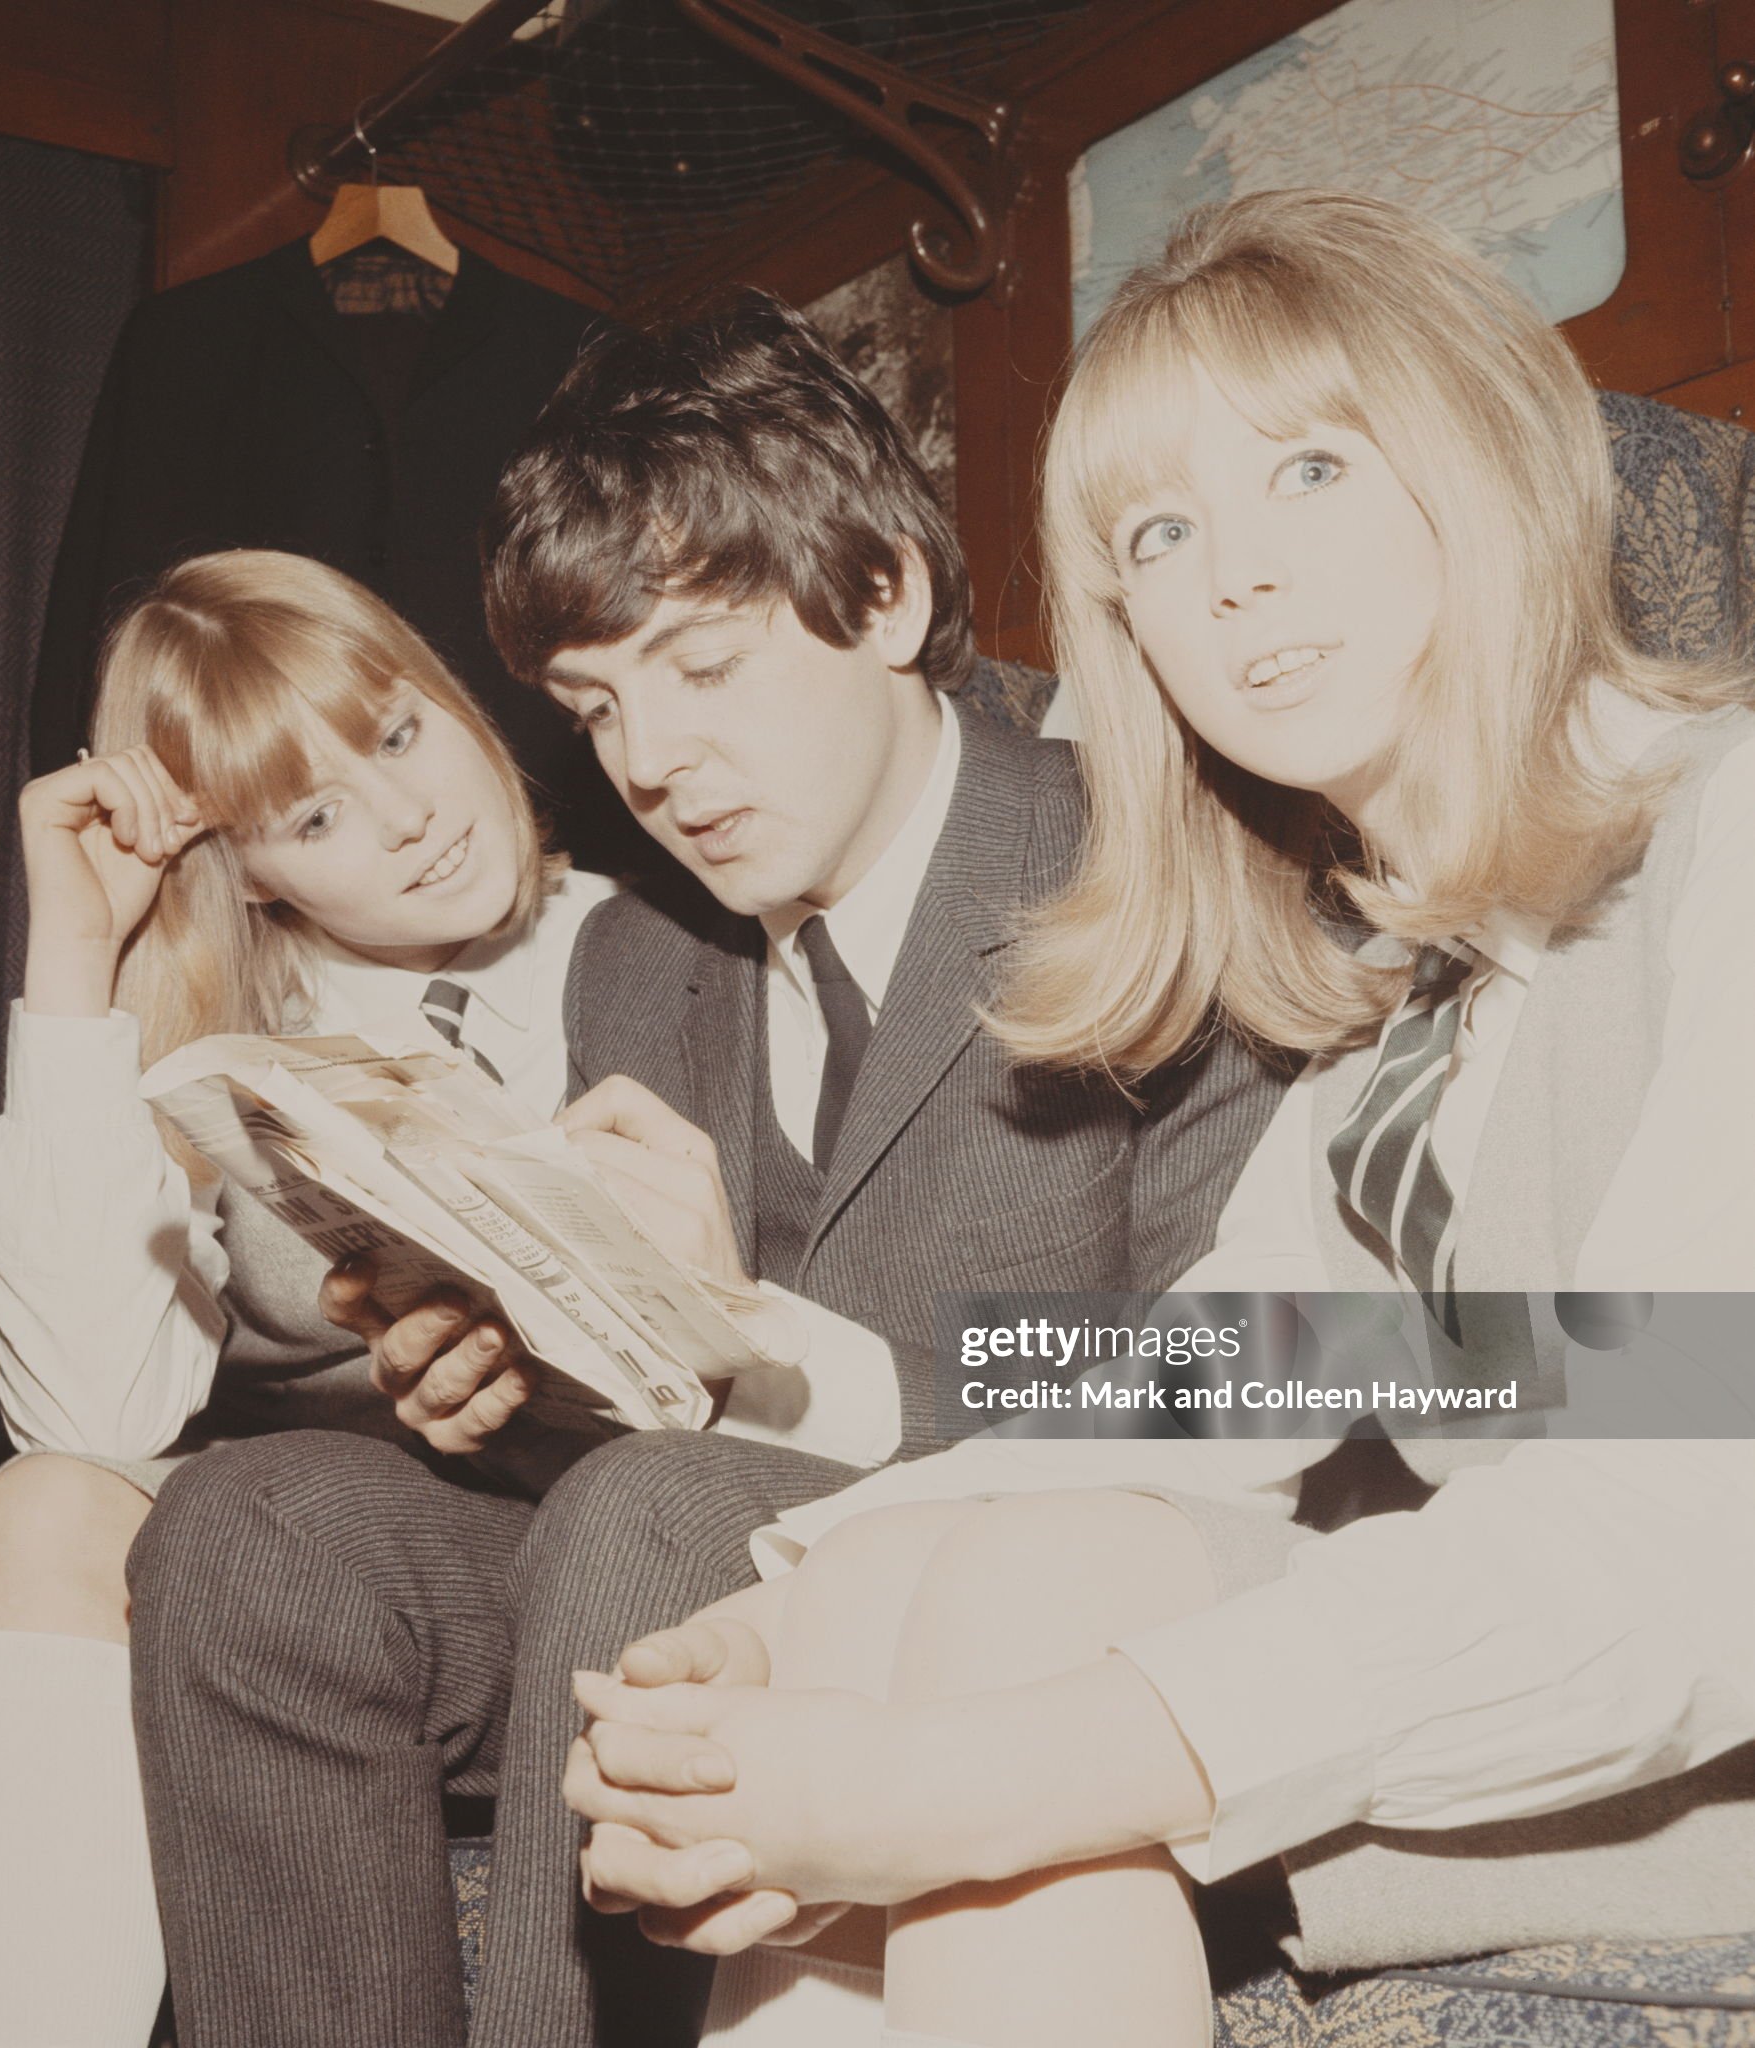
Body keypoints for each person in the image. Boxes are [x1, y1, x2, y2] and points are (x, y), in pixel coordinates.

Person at [563, 190, 1755, 2048]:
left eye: (1308, 473)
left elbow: (1693, 1526)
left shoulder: (1732, 832)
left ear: (1488, 457)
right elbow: (1198, 1385)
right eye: (1160, 533)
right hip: (1579, 1679)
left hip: (1692, 1693)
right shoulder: (1392, 1009)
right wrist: (781, 1625)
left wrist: (964, 1781)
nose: (1231, 579)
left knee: (1022, 1759)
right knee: (941, 1566)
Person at [121, 291, 1287, 2048]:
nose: (651, 766)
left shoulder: (1154, 849)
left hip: (1018, 1553)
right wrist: (500, 1374)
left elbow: (1249, 1372)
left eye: (705, 667)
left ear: (884, 595)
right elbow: (635, 1418)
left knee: (651, 1510)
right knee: (245, 1525)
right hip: (670, 1543)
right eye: (596, 708)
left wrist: (763, 1348)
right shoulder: (633, 962)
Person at [0, 548, 618, 2047]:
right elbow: (88, 1416)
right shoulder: (233, 1036)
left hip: (614, 1543)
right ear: (248, 866)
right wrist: (82, 961)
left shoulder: (673, 940)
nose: (414, 821)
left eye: (400, 734)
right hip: (331, 1578)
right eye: (312, 814)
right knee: (47, 1509)